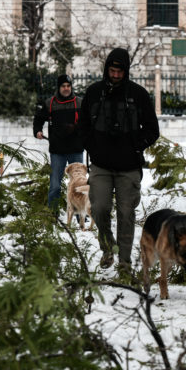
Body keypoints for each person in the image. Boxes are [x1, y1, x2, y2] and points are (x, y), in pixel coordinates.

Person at [76, 47, 160, 272]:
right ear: (106, 70)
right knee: (100, 208)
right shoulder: (93, 93)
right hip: (101, 164)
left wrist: (135, 146)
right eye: (112, 71)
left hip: (129, 167)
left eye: (119, 72)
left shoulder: (138, 95)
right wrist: (91, 144)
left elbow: (152, 130)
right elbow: (82, 125)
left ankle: (124, 261)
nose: (115, 75)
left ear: (126, 72)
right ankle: (107, 248)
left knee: (126, 213)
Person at [33, 74, 84, 209]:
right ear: (59, 87)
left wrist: (76, 128)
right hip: (57, 151)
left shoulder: (79, 103)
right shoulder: (50, 103)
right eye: (63, 86)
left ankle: (81, 219)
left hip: (76, 150)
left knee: (79, 186)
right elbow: (38, 118)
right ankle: (52, 217)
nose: (66, 88)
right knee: (55, 186)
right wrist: (37, 131)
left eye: (68, 86)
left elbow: (88, 122)